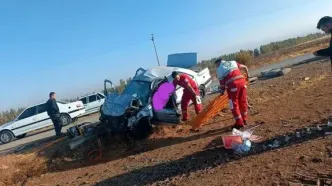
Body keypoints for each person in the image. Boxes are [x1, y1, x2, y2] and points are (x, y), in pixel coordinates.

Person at [214, 58, 249, 129]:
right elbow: (245, 67)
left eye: (216, 65)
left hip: (233, 85)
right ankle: (244, 119)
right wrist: (248, 76)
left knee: (233, 104)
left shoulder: (219, 68)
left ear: (218, 63)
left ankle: (239, 123)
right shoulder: (233, 62)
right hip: (242, 82)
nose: (216, 66)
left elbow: (222, 82)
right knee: (243, 101)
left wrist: (222, 91)